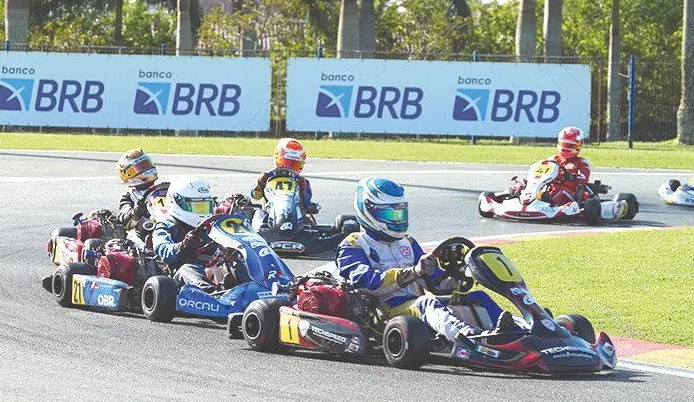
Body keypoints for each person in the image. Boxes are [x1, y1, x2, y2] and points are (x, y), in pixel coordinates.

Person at [336, 176, 513, 344]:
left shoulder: (408, 242)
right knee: (426, 303)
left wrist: (457, 276)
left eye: (400, 213)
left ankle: (517, 331)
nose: (398, 220)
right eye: (391, 215)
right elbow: (367, 283)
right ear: (368, 210)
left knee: (477, 297)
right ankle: (467, 337)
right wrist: (413, 272)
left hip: (414, 307)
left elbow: (434, 283)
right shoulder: (354, 244)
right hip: (384, 311)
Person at [152, 177, 231, 290]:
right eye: (196, 207)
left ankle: (256, 288)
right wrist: (181, 246)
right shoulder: (166, 226)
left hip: (212, 268)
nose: (202, 212)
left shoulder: (210, 225)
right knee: (187, 269)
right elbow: (162, 249)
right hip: (178, 275)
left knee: (237, 264)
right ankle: (210, 294)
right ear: (176, 202)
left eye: (204, 207)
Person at [250, 138, 320, 215]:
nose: (289, 167)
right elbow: (254, 196)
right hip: (268, 215)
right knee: (258, 214)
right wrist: (259, 186)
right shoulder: (266, 177)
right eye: (286, 162)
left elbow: (306, 204)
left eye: (294, 164)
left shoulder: (302, 182)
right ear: (277, 157)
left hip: (295, 218)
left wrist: (302, 191)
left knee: (306, 221)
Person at [545, 126, 592, 207]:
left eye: (571, 146)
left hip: (570, 194)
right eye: (564, 144)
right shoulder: (552, 159)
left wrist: (571, 177)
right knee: (521, 187)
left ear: (579, 145)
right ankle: (523, 200)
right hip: (550, 189)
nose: (566, 148)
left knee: (558, 191)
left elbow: (584, 178)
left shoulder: (581, 162)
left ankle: (546, 204)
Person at [114, 149, 160, 227]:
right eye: (140, 167)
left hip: (167, 225)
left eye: (146, 165)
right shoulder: (129, 196)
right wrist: (136, 212)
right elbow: (123, 218)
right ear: (127, 175)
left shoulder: (165, 188)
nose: (146, 170)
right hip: (144, 231)